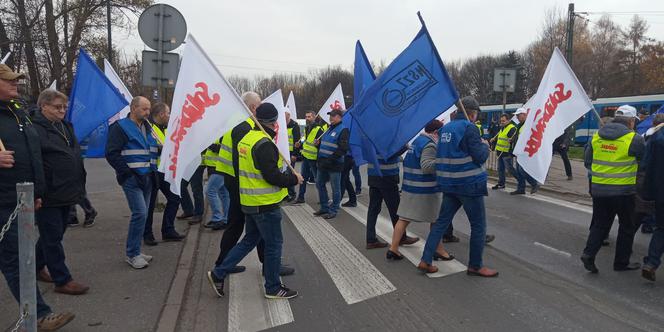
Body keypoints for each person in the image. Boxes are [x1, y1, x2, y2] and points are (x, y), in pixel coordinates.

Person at [0, 64, 74, 330]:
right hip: (3, 200)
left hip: (24, 197)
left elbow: (33, 155)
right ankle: (40, 315)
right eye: (8, 80)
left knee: (22, 257)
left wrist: (38, 192)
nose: (15, 84)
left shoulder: (18, 112)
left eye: (16, 80)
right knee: (13, 259)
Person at [207, 103, 303, 299]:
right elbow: (272, 176)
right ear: (274, 122)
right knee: (274, 244)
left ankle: (218, 273)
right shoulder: (264, 143)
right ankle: (273, 287)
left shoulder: (247, 138)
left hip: (250, 201)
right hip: (265, 203)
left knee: (249, 240)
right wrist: (294, 179)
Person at [419, 96, 498, 277]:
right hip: (469, 185)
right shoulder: (469, 128)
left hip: (449, 184)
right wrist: (485, 146)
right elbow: (479, 156)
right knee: (478, 226)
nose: (476, 117)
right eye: (476, 114)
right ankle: (475, 266)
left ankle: (425, 259)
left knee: (440, 224)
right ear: (471, 114)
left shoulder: (445, 129)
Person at [31, 89, 90, 295]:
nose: (62, 110)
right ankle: (62, 280)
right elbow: (35, 162)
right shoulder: (34, 129)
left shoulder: (65, 126)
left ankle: (35, 266)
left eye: (64, 107)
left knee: (54, 233)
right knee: (52, 237)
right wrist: (38, 191)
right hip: (49, 192)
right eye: (57, 107)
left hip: (68, 190)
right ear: (43, 106)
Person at [580, 105, 645, 273]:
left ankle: (589, 254)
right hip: (624, 192)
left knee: (600, 225)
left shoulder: (596, 136)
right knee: (626, 227)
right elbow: (643, 163)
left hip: (599, 190)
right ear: (631, 121)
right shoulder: (634, 139)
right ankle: (621, 263)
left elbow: (587, 162)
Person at [387, 120, 453, 261]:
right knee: (436, 220)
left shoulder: (418, 141)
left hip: (410, 187)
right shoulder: (430, 145)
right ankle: (439, 250)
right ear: (435, 133)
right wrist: (443, 160)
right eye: (440, 134)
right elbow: (427, 166)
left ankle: (393, 249)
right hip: (426, 189)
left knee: (403, 219)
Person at [106, 96, 158, 269]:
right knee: (140, 214)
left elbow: (152, 149)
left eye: (149, 109)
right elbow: (112, 153)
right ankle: (132, 254)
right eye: (144, 109)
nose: (148, 112)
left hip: (148, 177)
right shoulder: (120, 127)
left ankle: (136, 250)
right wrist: (127, 174)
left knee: (142, 216)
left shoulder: (147, 126)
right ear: (134, 108)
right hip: (132, 178)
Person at [144, 103, 185, 245]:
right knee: (150, 205)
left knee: (175, 198)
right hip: (154, 171)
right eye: (168, 113)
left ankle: (168, 230)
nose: (169, 115)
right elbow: (150, 148)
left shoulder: (166, 128)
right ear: (161, 114)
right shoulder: (149, 129)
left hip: (166, 170)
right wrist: (163, 149)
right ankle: (147, 234)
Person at [313, 109, 348, 219]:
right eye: (330, 116)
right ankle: (324, 207)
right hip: (323, 163)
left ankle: (334, 209)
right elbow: (326, 145)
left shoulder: (343, 130)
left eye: (333, 116)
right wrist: (317, 145)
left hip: (334, 164)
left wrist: (330, 159)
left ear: (339, 117)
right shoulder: (328, 129)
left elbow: (343, 149)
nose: (330, 118)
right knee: (319, 184)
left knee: (335, 188)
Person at [642, 114, 664, 281]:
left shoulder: (656, 138)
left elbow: (647, 166)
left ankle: (651, 262)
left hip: (660, 192)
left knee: (661, 229)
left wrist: (648, 193)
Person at [639, 115, 664, 234]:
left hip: (646, 175)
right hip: (654, 175)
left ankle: (647, 223)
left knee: (648, 201)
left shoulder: (647, 134)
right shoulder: (658, 137)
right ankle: (649, 223)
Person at [294, 111, 325, 204]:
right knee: (303, 178)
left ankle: (323, 199)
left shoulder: (319, 129)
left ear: (314, 117)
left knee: (318, 180)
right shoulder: (307, 128)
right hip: (305, 157)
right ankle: (301, 197)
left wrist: (318, 147)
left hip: (314, 159)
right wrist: (299, 145)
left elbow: (322, 145)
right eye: (306, 116)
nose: (307, 118)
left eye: (309, 117)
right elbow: (306, 141)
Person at [511, 107, 540, 195]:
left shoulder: (527, 125)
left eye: (518, 115)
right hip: (519, 151)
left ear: (524, 115)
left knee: (522, 170)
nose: (517, 117)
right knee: (519, 171)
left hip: (525, 151)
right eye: (516, 116)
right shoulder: (520, 125)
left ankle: (534, 183)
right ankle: (521, 188)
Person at [205, 137, 230, 231]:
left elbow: (224, 149)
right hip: (217, 167)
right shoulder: (218, 132)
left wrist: (210, 145)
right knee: (224, 194)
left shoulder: (223, 132)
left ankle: (217, 218)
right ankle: (226, 219)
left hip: (219, 167)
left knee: (210, 191)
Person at [491, 113, 520, 190]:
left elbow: (515, 139)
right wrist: (494, 139)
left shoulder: (512, 128)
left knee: (510, 169)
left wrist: (511, 140)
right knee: (500, 169)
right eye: (501, 121)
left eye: (503, 121)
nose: (502, 122)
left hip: (507, 152)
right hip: (500, 152)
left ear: (508, 120)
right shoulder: (502, 128)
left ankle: (521, 180)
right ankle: (501, 183)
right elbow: (501, 137)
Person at [286, 111, 301, 201]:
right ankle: (286, 193)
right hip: (283, 153)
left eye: (285, 115)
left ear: (288, 115)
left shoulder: (294, 126)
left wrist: (295, 154)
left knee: (289, 173)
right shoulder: (282, 124)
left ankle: (292, 193)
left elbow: (297, 142)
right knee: (283, 173)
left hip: (291, 154)